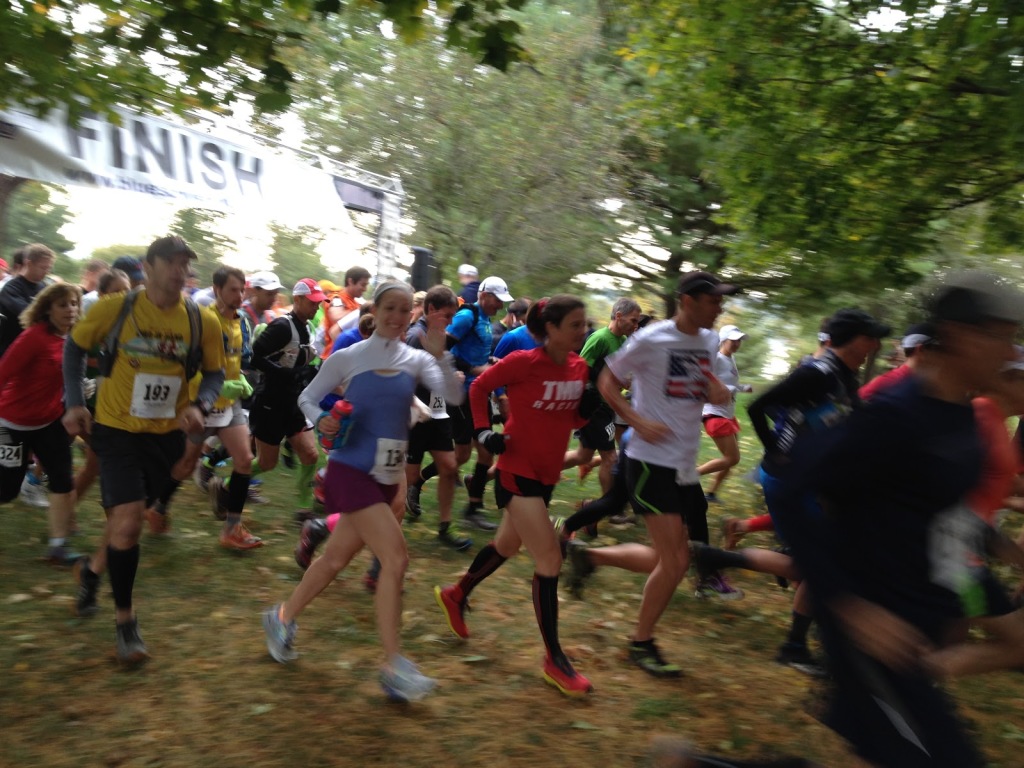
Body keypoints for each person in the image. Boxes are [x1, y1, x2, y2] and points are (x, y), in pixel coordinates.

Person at [774, 271, 1024, 767]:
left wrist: (1002, 562)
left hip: (913, 632)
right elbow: (790, 491)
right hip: (869, 637)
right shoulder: (894, 414)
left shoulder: (963, 422)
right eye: (1001, 336)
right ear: (957, 335)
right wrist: (849, 608)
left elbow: (944, 519)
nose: (1009, 351)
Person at [262, 281, 463, 702]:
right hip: (350, 470)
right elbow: (308, 396)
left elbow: (453, 394)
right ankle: (393, 666)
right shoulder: (350, 356)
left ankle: (281, 618)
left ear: (413, 315)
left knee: (335, 558)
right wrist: (323, 420)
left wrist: (441, 351)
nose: (396, 316)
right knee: (396, 558)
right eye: (390, 308)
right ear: (378, 309)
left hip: (386, 475)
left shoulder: (416, 359)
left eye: (405, 310)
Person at [62, 235, 224, 664]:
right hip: (116, 429)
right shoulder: (119, 308)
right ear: (148, 267)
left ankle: (92, 573)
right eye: (170, 262)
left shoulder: (200, 320)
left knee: (122, 522)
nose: (178, 270)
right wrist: (75, 402)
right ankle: (126, 622)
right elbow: (75, 346)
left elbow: (213, 374)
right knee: (131, 524)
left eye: (184, 263)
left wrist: (200, 404)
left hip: (165, 435)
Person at [572, 271, 736, 677]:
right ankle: (640, 643)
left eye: (720, 301)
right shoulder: (650, 338)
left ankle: (589, 557)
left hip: (684, 461)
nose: (719, 308)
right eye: (712, 300)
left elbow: (696, 376)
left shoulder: (708, 340)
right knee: (676, 559)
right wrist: (634, 419)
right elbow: (607, 380)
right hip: (649, 460)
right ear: (687, 300)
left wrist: (715, 387)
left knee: (671, 557)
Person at [434, 294, 597, 697]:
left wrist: (590, 409)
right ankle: (554, 660)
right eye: (575, 325)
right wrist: (482, 431)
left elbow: (571, 417)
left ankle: (456, 595)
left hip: (546, 473)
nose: (583, 330)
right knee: (549, 558)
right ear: (552, 329)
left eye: (583, 323)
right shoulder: (524, 362)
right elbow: (478, 387)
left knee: (506, 545)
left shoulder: (579, 366)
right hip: (516, 471)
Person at [746, 307, 889, 674]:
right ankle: (803, 646)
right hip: (789, 482)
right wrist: (777, 451)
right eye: (870, 337)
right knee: (826, 563)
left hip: (815, 480)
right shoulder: (817, 372)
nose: (876, 344)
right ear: (854, 339)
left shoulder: (845, 375)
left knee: (827, 559)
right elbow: (758, 405)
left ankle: (803, 644)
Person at [0, 283, 82, 563]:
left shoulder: (74, 339)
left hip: (49, 421)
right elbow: (3, 373)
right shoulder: (33, 338)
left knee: (63, 479)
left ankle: (58, 547)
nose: (70, 310)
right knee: (6, 489)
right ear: (47, 309)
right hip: (12, 423)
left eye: (73, 304)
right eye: (62, 305)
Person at [400, 285, 472, 551]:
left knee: (449, 466)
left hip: (439, 411)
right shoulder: (415, 336)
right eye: (448, 314)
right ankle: (387, 537)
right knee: (408, 476)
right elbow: (406, 377)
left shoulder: (437, 334)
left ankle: (444, 527)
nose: (452, 321)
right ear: (431, 309)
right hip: (417, 413)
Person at [248, 279, 324, 524]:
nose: (316, 307)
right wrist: (280, 373)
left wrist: (313, 371)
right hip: (270, 402)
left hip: (294, 402)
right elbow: (254, 356)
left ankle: (303, 509)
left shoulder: (308, 327)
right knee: (267, 463)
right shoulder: (283, 326)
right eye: (312, 302)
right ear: (298, 299)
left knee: (311, 455)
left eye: (318, 303)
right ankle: (230, 485)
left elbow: (303, 360)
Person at [446, 275, 514, 531]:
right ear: (484, 295)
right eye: (497, 301)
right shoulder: (467, 317)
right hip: (461, 394)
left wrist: (491, 364)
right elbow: (443, 350)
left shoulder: (486, 320)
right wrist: (473, 368)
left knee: (485, 451)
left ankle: (473, 508)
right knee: (461, 454)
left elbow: (480, 356)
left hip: (479, 393)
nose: (500, 307)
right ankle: (416, 482)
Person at [563, 297, 642, 495]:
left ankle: (539, 471)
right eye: (633, 320)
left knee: (583, 456)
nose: (636, 325)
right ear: (618, 316)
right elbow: (581, 368)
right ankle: (608, 507)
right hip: (594, 406)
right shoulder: (600, 338)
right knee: (609, 458)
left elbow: (615, 370)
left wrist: (623, 380)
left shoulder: (622, 340)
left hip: (607, 405)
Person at [698, 324, 753, 502]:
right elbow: (705, 381)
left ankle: (711, 493)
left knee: (730, 459)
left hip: (727, 414)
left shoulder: (731, 359)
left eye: (739, 341)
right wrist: (728, 388)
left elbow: (728, 384)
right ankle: (689, 476)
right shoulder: (717, 359)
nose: (737, 344)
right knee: (732, 458)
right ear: (723, 340)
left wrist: (742, 387)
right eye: (734, 340)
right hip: (715, 414)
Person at [0, 243, 56, 357]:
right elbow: (28, 314)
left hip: (35, 351)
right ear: (28, 263)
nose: (46, 272)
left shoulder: (45, 288)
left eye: (48, 268)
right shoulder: (11, 288)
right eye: (43, 267)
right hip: (11, 351)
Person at [319, 266, 370, 358]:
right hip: (333, 357)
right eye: (363, 285)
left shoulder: (356, 303)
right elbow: (336, 316)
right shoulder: (336, 298)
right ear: (350, 281)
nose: (365, 289)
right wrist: (359, 311)